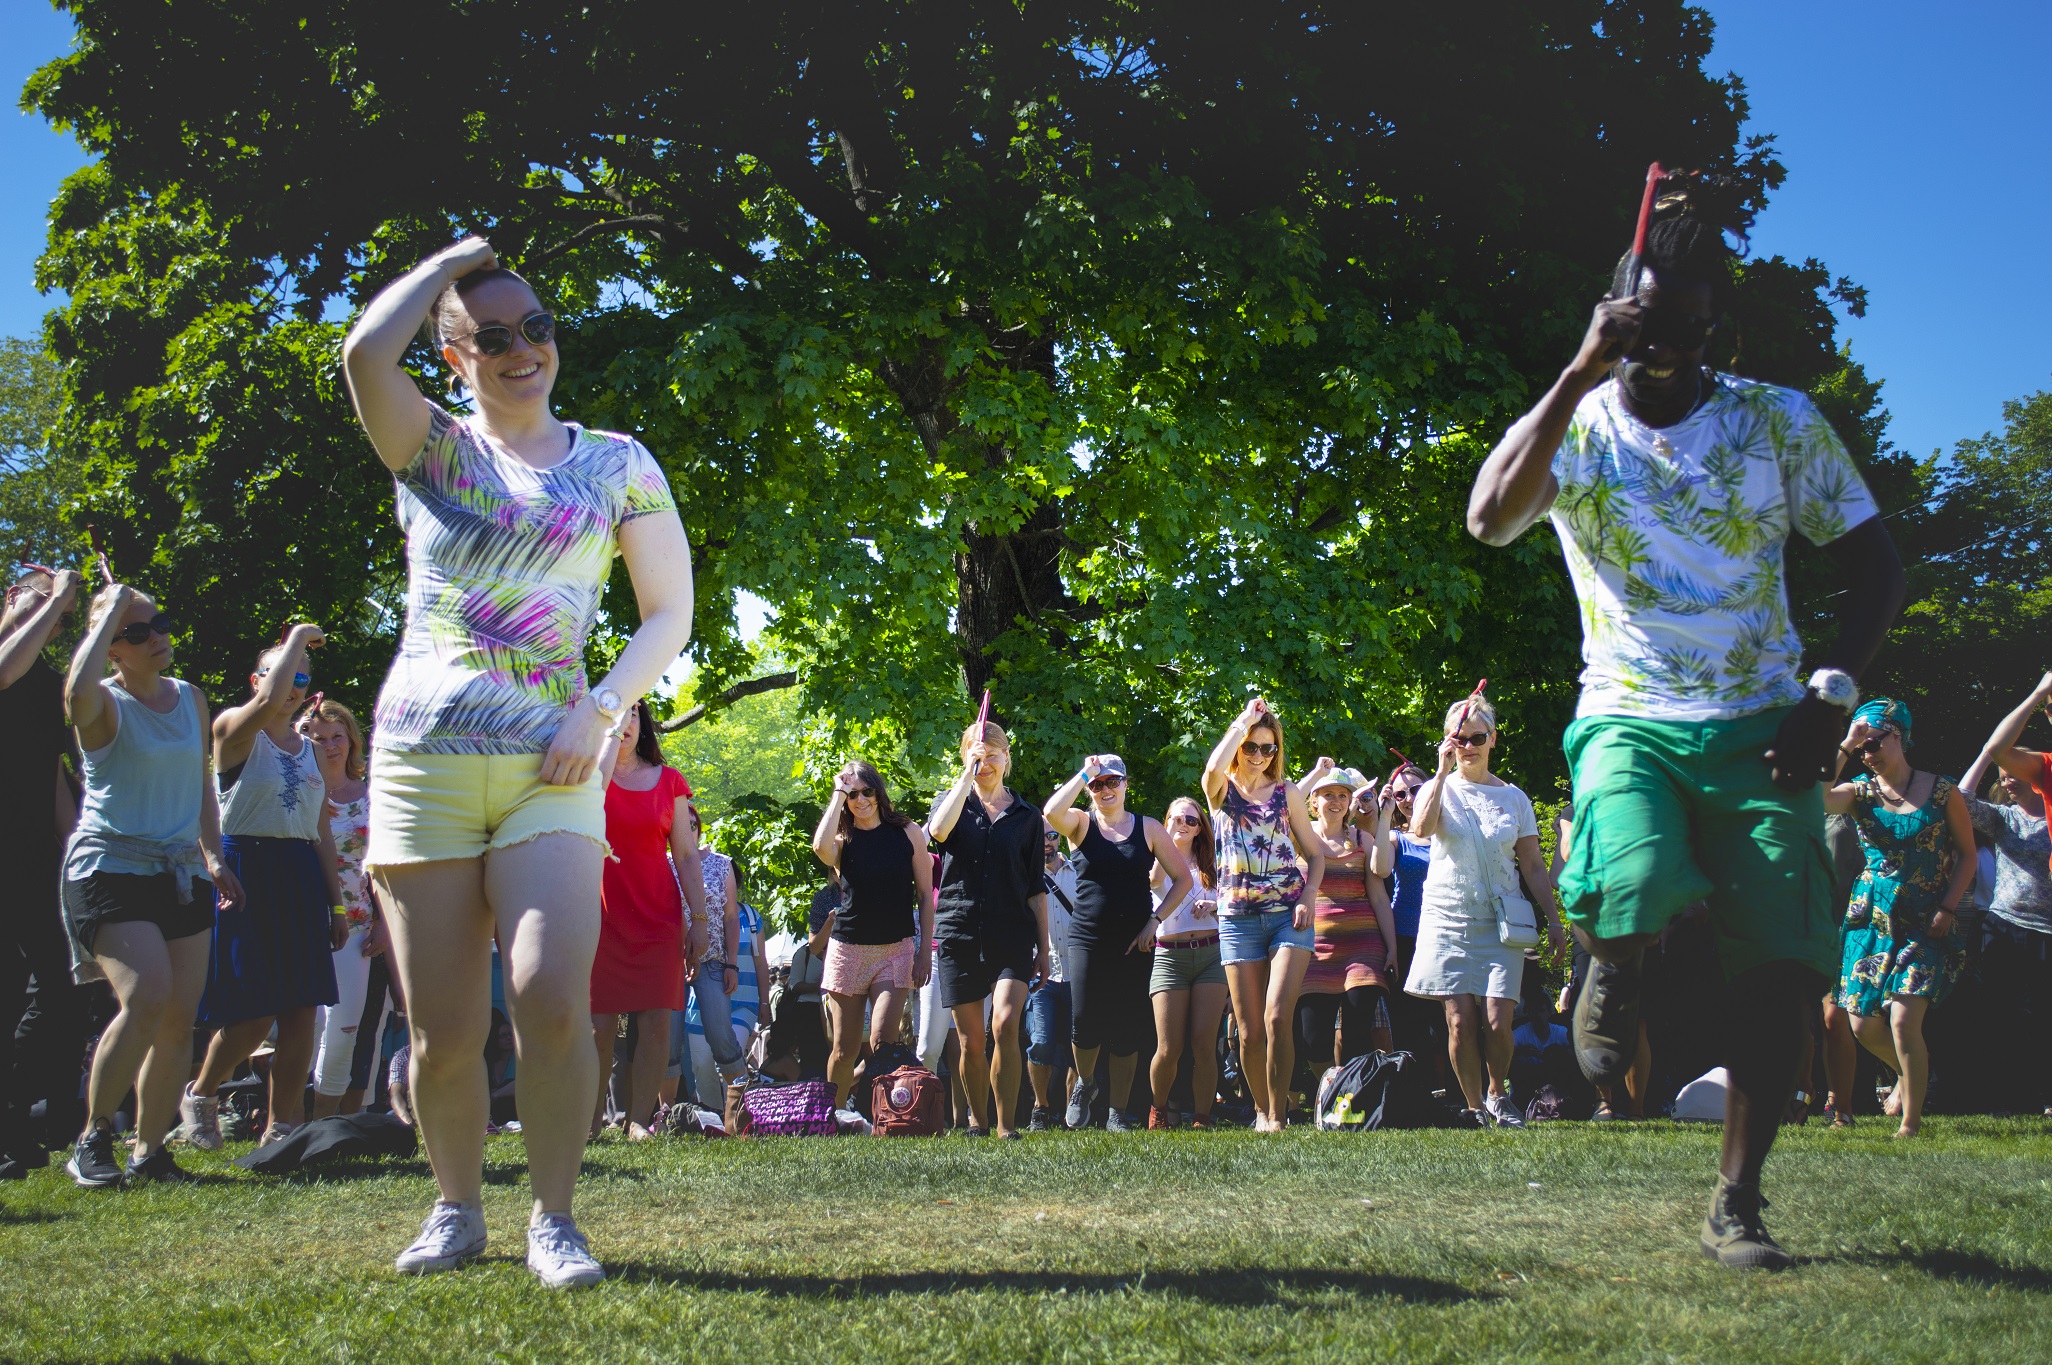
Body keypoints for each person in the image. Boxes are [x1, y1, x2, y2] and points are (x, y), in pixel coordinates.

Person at [1466, 187, 1904, 1265]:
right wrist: (1575, 372)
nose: (1670, 351)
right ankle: (1613, 948)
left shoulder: (1779, 422)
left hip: (1766, 723)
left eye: (1694, 332)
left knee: (1786, 964)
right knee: (1635, 875)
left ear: (1721, 332)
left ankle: (1737, 1206)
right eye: (1649, 329)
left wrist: (1829, 695)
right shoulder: (1577, 426)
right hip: (1630, 716)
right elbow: (1488, 521)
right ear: (1616, 316)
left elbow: (1876, 568)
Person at [341, 236, 695, 1287]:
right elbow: (364, 355)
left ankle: (554, 1217)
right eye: (491, 338)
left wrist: (602, 705)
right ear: (454, 357)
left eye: (535, 326)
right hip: (423, 769)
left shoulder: (618, 463)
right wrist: (452, 256)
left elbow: (669, 612)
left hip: (556, 768)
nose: (521, 349)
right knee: (444, 1032)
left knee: (548, 995)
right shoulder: (431, 450)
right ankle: (455, 1208)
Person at [60, 583, 244, 1186]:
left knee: (178, 1018)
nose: (156, 637)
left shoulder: (191, 697)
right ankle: (93, 1138)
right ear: (112, 648)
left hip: (179, 873)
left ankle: (150, 1151)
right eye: (135, 632)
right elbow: (73, 691)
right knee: (147, 996)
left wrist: (212, 856)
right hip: (108, 867)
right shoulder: (102, 703)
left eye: (157, 623)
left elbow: (200, 787)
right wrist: (106, 610)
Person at [184, 627, 347, 1145]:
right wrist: (299, 635)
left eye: (303, 677)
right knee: (254, 1012)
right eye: (284, 674)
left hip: (298, 869)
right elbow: (267, 702)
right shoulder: (234, 730)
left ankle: (284, 1127)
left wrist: (338, 904)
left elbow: (319, 829)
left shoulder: (311, 750)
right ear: (258, 680)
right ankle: (202, 1095)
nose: (294, 686)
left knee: (303, 1008)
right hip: (247, 868)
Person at [1404, 695, 1564, 1127]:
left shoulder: (1514, 798)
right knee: (1458, 1021)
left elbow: (1531, 863)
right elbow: (1419, 828)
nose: (1468, 746)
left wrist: (1552, 919)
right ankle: (1474, 1107)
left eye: (1477, 738)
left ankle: (1497, 1092)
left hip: (1500, 919)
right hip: (1448, 915)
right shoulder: (1437, 788)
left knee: (1498, 1019)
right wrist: (1438, 772)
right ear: (1448, 742)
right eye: (1459, 739)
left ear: (1493, 739)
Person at [1824, 699, 1974, 1137]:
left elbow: (1967, 855)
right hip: (1871, 919)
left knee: (1904, 1020)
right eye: (1861, 746)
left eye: (1872, 742)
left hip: (1927, 918)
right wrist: (1845, 745)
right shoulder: (1860, 792)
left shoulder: (1943, 791)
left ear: (1899, 737)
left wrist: (1948, 906)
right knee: (1862, 1025)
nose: (1867, 753)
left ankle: (1911, 1123)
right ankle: (1911, 1076)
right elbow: (1814, 797)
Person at [1045, 754, 1192, 1132]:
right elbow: (1051, 812)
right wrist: (1083, 774)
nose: (1104, 789)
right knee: (1083, 1024)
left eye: (1112, 782)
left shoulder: (1149, 828)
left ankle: (1117, 1113)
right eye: (1098, 784)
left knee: (1127, 1031)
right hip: (1088, 939)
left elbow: (1183, 879)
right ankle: (1086, 1082)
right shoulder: (1080, 823)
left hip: (1134, 943)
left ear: (1126, 783)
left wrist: (1154, 922)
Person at [1202, 700, 1324, 1131]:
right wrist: (1242, 722)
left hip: (1287, 916)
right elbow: (1214, 767)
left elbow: (1316, 854)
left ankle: (1280, 1113)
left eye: (1268, 749)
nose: (1258, 756)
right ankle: (1261, 1110)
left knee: (1277, 1017)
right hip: (1236, 920)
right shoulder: (1222, 792)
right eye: (1252, 746)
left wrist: (1310, 894)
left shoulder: (1287, 793)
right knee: (1250, 1032)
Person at [0, 564, 86, 1173]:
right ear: (11, 596)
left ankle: (12, 1110)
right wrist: (55, 598)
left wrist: (71, 847)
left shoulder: (51, 679)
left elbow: (53, 771)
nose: (53, 616)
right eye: (39, 601)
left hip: (35, 852)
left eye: (59, 618)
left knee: (57, 988)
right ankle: (10, 1129)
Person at [926, 721, 1050, 1139]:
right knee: (970, 1041)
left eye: (993, 754)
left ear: (1007, 758)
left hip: (1013, 933)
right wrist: (965, 777)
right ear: (965, 758)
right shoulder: (951, 803)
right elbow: (938, 833)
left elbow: (1036, 888)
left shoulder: (1027, 816)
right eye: (977, 754)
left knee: (1005, 1025)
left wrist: (1044, 948)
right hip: (960, 931)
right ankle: (976, 1121)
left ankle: (1005, 1125)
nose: (986, 762)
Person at [589, 700, 705, 1139]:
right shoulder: (587, 775)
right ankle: (591, 1120)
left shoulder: (670, 781)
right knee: (597, 1026)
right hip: (599, 915)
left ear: (644, 723)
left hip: (658, 915)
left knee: (656, 1023)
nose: (626, 723)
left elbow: (687, 856)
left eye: (634, 713)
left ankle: (639, 1120)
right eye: (618, 714)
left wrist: (700, 920)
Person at [809, 762, 933, 1110]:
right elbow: (820, 848)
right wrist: (837, 792)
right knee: (845, 1048)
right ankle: (831, 1116)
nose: (860, 799)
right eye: (852, 794)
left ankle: (885, 1115)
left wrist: (923, 953)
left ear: (879, 792)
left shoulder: (907, 831)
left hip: (897, 949)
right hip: (848, 950)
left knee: (884, 1042)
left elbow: (925, 896)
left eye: (867, 791)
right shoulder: (841, 838)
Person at [1959, 672, 2052, 1116]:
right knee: (1999, 1014)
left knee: (2044, 1017)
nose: (2008, 781)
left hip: (2049, 932)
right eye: (2003, 777)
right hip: (2006, 925)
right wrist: (1983, 756)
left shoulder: (2046, 797)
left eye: (2012, 775)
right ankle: (2004, 1100)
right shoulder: (2002, 818)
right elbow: (1958, 798)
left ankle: (2043, 1096)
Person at [300, 698, 389, 1119]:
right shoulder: (294, 793)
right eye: (319, 739)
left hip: (357, 928)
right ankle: (286, 1121)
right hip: (299, 921)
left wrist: (386, 924)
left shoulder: (373, 798)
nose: (331, 746)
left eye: (338, 736)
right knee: (302, 1029)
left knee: (344, 1030)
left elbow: (387, 869)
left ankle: (325, 1123)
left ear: (352, 740)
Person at [1295, 761, 1400, 1075]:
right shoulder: (1300, 837)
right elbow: (1283, 807)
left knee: (1356, 1036)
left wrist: (1391, 947)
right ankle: (1331, 1091)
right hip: (1314, 951)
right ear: (1314, 801)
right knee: (1313, 1040)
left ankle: (1350, 1103)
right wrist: (1313, 773)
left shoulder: (1361, 840)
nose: (1336, 801)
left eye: (1343, 794)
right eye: (1328, 794)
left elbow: (1379, 895)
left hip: (1363, 949)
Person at [1145, 796, 1227, 1129]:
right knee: (1168, 1047)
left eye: (1190, 821)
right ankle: (1159, 1109)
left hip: (1210, 953)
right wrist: (1168, 840)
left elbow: (1234, 897)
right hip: (1169, 956)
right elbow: (1152, 881)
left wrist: (1214, 904)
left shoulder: (1213, 862)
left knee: (1205, 1043)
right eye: (1176, 818)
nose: (1183, 824)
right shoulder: (1158, 857)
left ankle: (1203, 1117)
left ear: (1200, 829)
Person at [1369, 761, 1444, 1070]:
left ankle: (1458, 1097)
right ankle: (1415, 1096)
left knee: (1448, 1019)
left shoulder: (1449, 832)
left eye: (1416, 790)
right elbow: (1381, 869)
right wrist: (1384, 814)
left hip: (1446, 932)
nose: (1410, 799)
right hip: (1407, 935)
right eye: (1401, 795)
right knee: (1409, 1020)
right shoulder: (1397, 837)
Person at [668, 805, 743, 1110]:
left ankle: (742, 1111)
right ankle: (666, 1115)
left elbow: (730, 918)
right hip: (670, 963)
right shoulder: (662, 863)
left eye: (693, 825)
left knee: (721, 1035)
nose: (688, 830)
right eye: (680, 826)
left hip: (712, 960)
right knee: (669, 1041)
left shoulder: (721, 864)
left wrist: (732, 963)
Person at [1025, 827, 1077, 1131]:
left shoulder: (1079, 871)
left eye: (1053, 835)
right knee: (1041, 1043)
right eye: (1040, 835)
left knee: (1077, 1047)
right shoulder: (1026, 876)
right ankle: (1041, 1109)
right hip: (1043, 976)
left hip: (1078, 973)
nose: (1046, 841)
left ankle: (1072, 1112)